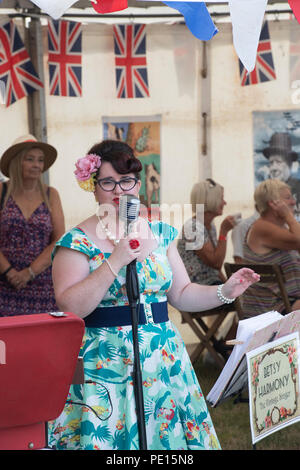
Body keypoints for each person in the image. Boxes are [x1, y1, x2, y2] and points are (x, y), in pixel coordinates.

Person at [48, 140, 259, 451]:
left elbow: (183, 294)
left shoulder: (160, 233)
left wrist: (224, 291)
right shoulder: (75, 241)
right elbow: (71, 307)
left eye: (127, 181)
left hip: (162, 357)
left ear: (137, 184)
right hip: (105, 363)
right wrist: (116, 259)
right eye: (108, 182)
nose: (119, 191)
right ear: (93, 187)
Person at [0, 134, 65, 316]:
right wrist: (9, 272)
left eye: (40, 160)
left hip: (42, 284)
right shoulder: (2, 192)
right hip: (3, 284)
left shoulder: (51, 194)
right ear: (16, 162)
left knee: (40, 338)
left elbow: (58, 240)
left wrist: (29, 272)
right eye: (30, 159)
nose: (37, 165)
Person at [242, 179, 300, 318]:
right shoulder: (262, 228)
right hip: (271, 309)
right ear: (273, 204)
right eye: (287, 198)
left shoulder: (280, 229)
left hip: (285, 303)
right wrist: (288, 216)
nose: (293, 201)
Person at [262, 132, 300, 220]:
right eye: (271, 163)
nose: (273, 168)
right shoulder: (265, 191)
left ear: (289, 165)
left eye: (278, 162)